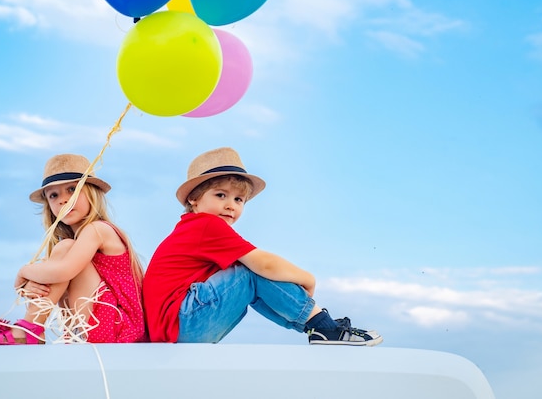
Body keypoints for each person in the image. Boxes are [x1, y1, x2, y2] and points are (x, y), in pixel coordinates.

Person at [143, 147, 382, 346]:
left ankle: (318, 329)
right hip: (181, 322)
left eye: (238, 199)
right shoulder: (206, 225)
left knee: (248, 275)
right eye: (220, 195)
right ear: (193, 200)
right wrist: (307, 278)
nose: (230, 205)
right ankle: (321, 327)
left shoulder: (192, 228)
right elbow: (265, 264)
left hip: (174, 329)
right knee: (250, 271)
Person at [0, 154, 145, 345]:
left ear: (91, 192)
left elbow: (64, 270)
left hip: (119, 328)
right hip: (91, 326)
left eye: (72, 189)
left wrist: (23, 272)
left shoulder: (98, 229)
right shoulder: (74, 241)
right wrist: (31, 284)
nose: (63, 200)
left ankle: (31, 328)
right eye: (54, 195)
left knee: (64, 252)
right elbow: (59, 274)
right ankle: (32, 329)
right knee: (60, 255)